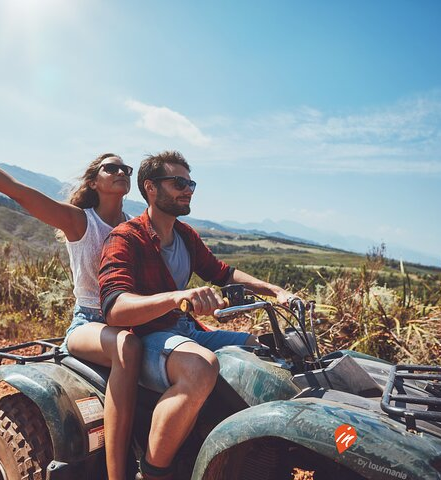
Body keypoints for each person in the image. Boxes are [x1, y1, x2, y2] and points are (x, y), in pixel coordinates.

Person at [0, 112, 140, 480]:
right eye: (112, 168)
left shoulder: (133, 227)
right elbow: (17, 190)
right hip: (92, 322)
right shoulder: (79, 221)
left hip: (130, 317)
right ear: (94, 182)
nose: (122, 172)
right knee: (128, 347)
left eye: (126, 168)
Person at [98, 151, 294, 480]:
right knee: (200, 366)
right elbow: (115, 308)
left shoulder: (185, 236)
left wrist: (276, 291)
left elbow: (223, 273)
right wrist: (177, 297)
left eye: (190, 183)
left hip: (186, 331)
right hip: (146, 336)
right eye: (178, 183)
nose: (187, 190)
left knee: (261, 351)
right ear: (150, 188)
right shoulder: (126, 238)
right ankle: (153, 472)